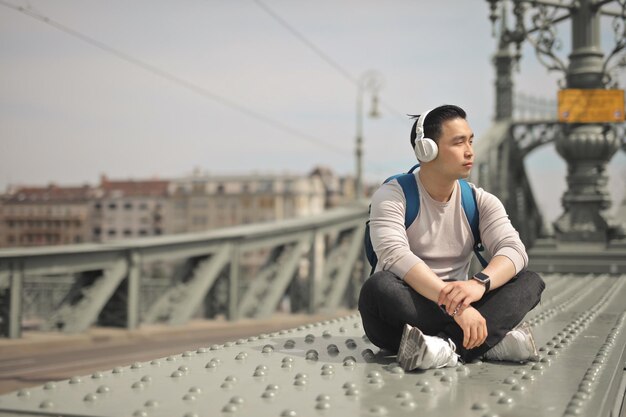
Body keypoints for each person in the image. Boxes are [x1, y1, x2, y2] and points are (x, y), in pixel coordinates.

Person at [358, 104, 545, 370]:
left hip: (464, 305)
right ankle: (484, 342)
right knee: (379, 288)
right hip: (404, 315)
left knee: (530, 281)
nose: (470, 151)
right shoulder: (393, 195)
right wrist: (458, 310)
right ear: (426, 150)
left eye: (470, 141)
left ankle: (446, 347)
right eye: (458, 142)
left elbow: (514, 249)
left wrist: (478, 284)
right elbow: (394, 255)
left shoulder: (479, 201)